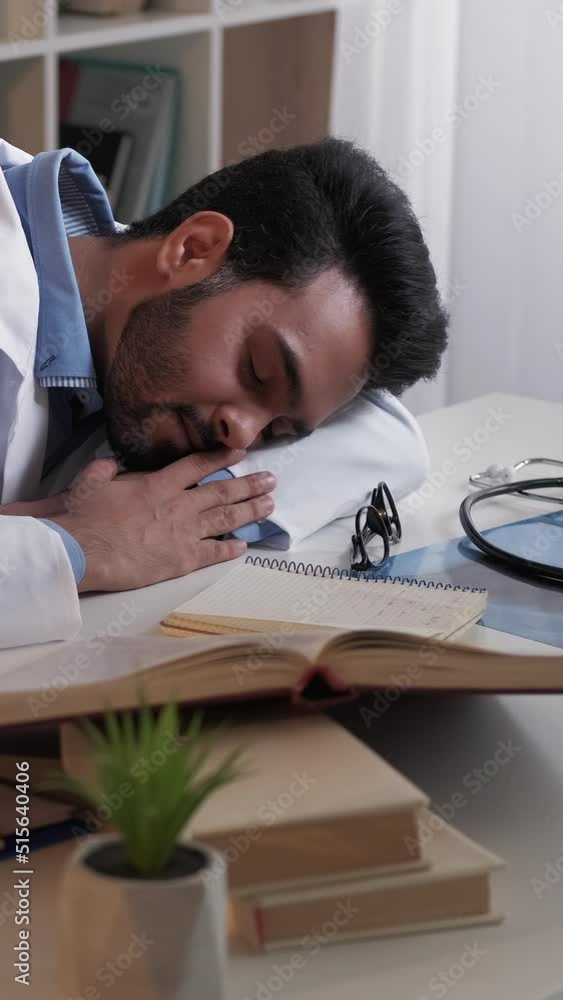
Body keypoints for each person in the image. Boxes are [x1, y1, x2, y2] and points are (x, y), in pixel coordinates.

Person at [0, 135, 448, 648]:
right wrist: (79, 547)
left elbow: (390, 437)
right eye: (258, 371)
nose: (242, 436)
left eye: (279, 430)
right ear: (193, 248)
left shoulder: (117, 330)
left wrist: (166, 514)